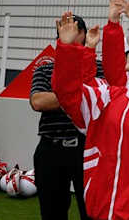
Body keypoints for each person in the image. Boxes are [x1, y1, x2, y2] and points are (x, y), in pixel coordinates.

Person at [52, 0, 129, 220]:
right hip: (100, 211)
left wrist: (126, 210)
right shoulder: (110, 96)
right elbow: (68, 94)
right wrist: (67, 47)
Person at [30, 13, 101, 220]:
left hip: (87, 148)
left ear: (86, 35)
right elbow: (38, 101)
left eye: (75, 30)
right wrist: (76, 94)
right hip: (50, 149)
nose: (69, 33)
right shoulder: (45, 69)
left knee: (92, 211)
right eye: (64, 30)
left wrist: (68, 93)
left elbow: (103, 101)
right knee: (52, 212)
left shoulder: (99, 68)